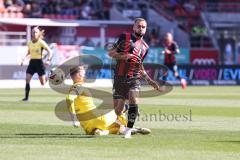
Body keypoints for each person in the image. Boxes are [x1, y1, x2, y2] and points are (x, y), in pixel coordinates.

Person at [108, 18, 160, 138]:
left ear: (146, 29)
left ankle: (128, 130)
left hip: (134, 78)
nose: (141, 28)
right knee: (118, 111)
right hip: (119, 77)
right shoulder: (124, 37)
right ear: (134, 27)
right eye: (139, 26)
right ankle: (126, 107)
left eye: (143, 27)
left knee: (134, 100)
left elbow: (140, 65)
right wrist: (124, 56)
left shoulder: (145, 47)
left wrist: (149, 80)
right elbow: (111, 53)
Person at [66, 66, 151, 136]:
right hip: (97, 119)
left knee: (114, 127)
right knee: (119, 109)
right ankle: (129, 126)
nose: (85, 75)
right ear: (78, 75)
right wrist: (74, 119)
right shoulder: (77, 87)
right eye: (83, 73)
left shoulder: (75, 87)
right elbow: (69, 99)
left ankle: (103, 132)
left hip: (87, 127)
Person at [21, 26, 52, 101]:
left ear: (39, 34)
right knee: (27, 79)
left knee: (43, 83)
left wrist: (48, 60)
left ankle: (50, 75)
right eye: (33, 32)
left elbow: (49, 51)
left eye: (36, 32)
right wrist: (24, 59)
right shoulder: (30, 43)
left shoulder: (41, 42)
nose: (34, 33)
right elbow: (29, 52)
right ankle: (26, 97)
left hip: (39, 63)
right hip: (32, 63)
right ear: (31, 34)